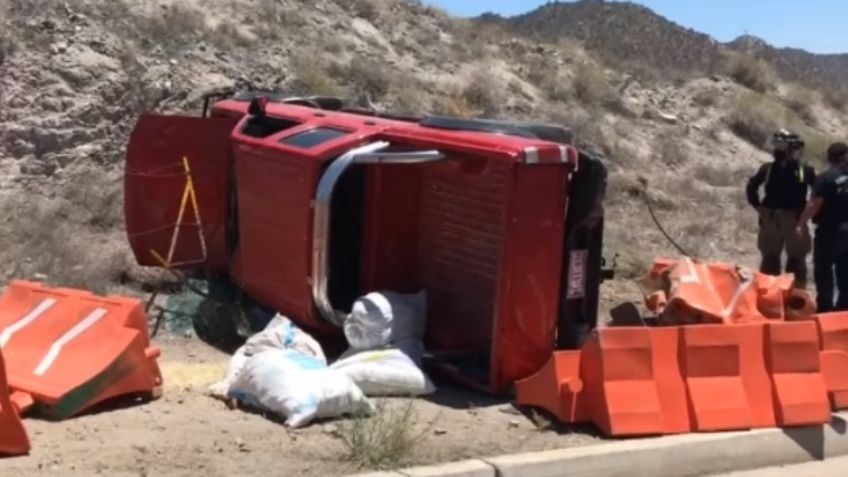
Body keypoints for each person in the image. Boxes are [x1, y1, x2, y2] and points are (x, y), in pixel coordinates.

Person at [746, 129, 816, 288]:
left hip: (795, 219)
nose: (777, 150)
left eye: (781, 146)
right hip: (772, 218)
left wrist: (808, 213)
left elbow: (818, 193)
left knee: (796, 259)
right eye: (777, 146)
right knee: (770, 259)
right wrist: (758, 207)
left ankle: (796, 298)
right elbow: (752, 187)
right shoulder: (768, 168)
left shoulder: (804, 170)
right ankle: (769, 294)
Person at [797, 142, 848, 312]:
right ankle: (844, 310)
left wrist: (802, 223)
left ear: (830, 157)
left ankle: (825, 309)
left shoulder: (826, 177)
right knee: (845, 271)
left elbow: (815, 203)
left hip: (829, 231)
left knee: (824, 271)